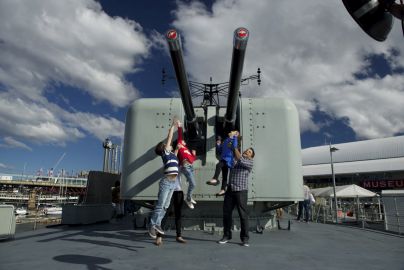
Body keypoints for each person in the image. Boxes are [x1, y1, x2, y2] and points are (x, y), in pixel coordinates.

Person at [218, 139, 255, 247]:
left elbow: (240, 159)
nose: (246, 152)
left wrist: (235, 147)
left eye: (249, 152)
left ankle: (245, 239)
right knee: (226, 214)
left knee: (243, 215)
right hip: (230, 190)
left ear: (251, 156)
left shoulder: (249, 162)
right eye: (246, 150)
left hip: (241, 191)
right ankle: (226, 235)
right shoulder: (235, 159)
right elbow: (231, 160)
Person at [148, 120, 180, 240]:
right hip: (166, 182)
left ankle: (157, 224)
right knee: (160, 206)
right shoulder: (165, 153)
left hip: (173, 183)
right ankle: (152, 225)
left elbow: (176, 153)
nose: (170, 145)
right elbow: (170, 137)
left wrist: (178, 147)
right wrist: (173, 126)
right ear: (164, 148)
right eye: (168, 145)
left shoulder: (172, 155)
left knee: (166, 206)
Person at [155, 176, 187, 246]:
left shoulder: (180, 166)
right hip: (169, 190)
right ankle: (159, 237)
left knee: (178, 214)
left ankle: (179, 236)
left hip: (179, 191)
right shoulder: (169, 165)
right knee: (165, 213)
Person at [206, 131, 239, 196]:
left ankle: (215, 179)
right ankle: (223, 190)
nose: (230, 132)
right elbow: (220, 150)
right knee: (224, 176)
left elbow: (234, 146)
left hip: (228, 160)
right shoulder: (226, 140)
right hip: (223, 158)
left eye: (232, 132)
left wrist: (235, 136)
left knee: (218, 165)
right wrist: (218, 145)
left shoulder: (232, 140)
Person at [176, 122, 197, 209]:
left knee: (192, 184)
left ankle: (189, 197)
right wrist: (179, 126)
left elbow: (192, 160)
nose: (184, 141)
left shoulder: (186, 149)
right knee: (193, 184)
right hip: (185, 166)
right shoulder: (181, 145)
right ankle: (188, 199)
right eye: (183, 140)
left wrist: (194, 155)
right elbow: (180, 135)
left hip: (190, 166)